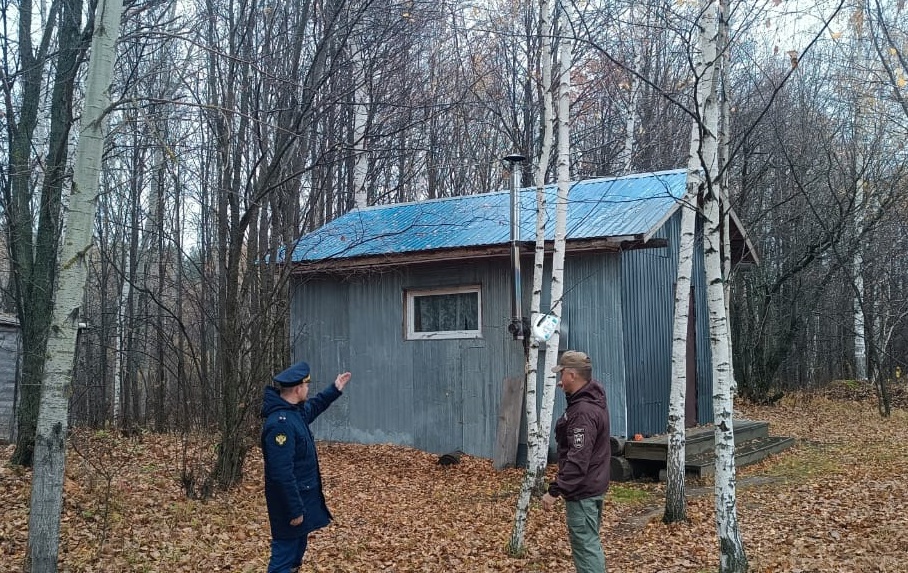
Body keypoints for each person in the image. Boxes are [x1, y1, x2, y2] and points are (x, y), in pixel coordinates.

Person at [260, 360, 352, 573]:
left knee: (295, 554)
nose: (308, 389)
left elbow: (315, 406)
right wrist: (294, 510)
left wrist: (334, 389)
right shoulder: (279, 424)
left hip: (301, 500)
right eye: (306, 386)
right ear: (298, 389)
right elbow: (281, 474)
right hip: (289, 505)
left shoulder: (294, 413)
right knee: (284, 557)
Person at [541, 350, 611, 573]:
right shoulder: (589, 401)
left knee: (586, 547)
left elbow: (578, 458)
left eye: (562, 375)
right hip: (592, 486)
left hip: (583, 491)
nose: (560, 381)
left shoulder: (582, 412)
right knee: (589, 542)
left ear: (572, 375)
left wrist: (555, 491)